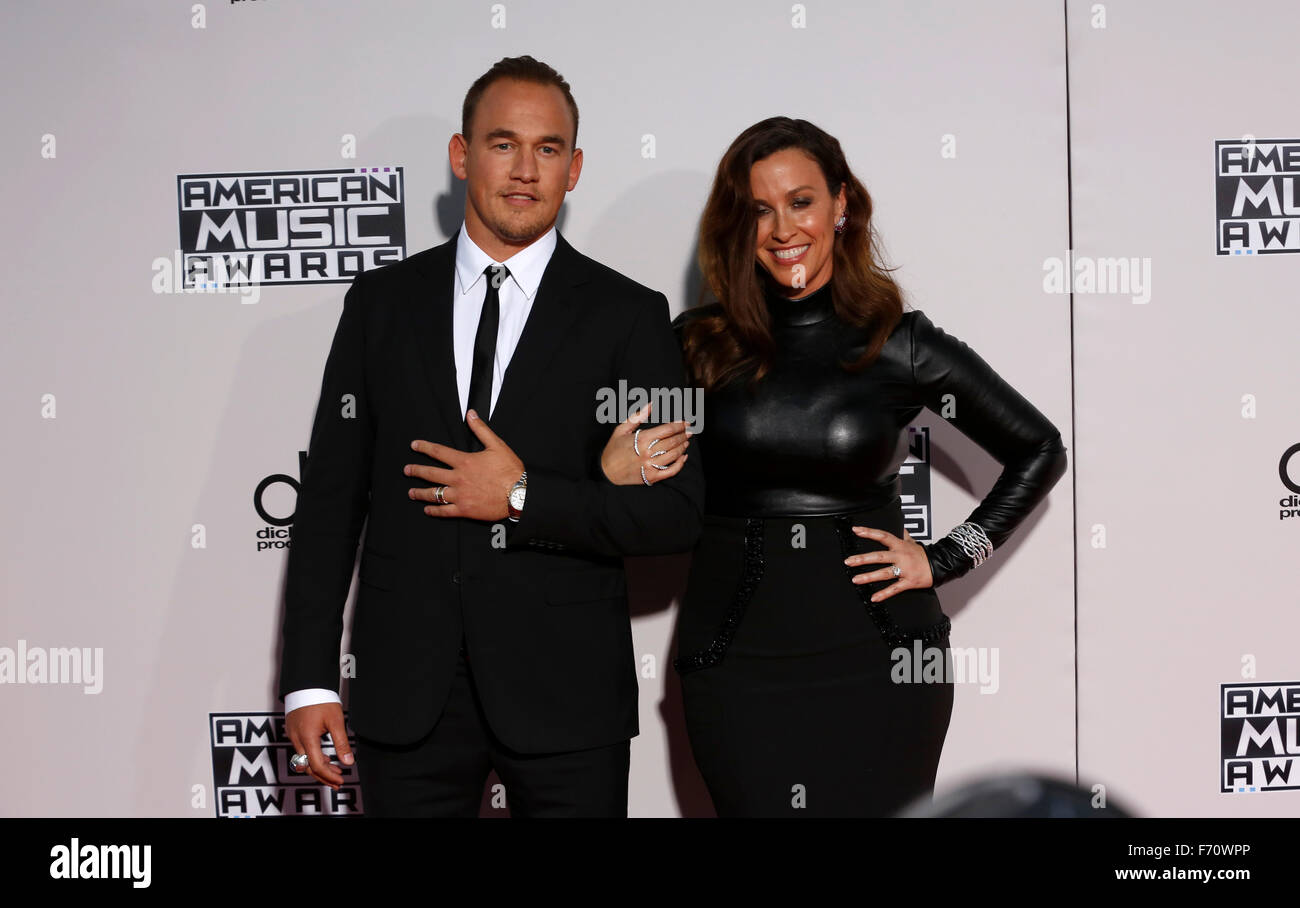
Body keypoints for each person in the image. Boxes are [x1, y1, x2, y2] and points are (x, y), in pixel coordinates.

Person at [603, 116, 1067, 817]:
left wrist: (944, 559)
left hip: (883, 661)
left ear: (841, 204)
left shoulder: (897, 343)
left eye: (801, 201)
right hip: (734, 667)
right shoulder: (696, 345)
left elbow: (1039, 447)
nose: (784, 228)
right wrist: (611, 461)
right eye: (760, 209)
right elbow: (619, 468)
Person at [277, 55, 704, 817]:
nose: (524, 170)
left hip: (568, 699)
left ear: (573, 170)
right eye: (503, 143)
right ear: (461, 154)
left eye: (547, 150)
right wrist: (309, 676)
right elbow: (331, 502)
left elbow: (675, 514)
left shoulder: (630, 316)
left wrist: (520, 496)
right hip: (405, 695)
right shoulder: (381, 305)